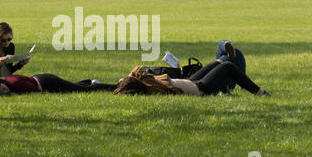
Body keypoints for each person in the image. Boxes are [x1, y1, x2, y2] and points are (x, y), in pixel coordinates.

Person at [114, 60, 271, 97]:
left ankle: (227, 88)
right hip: (201, 87)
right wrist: (127, 79)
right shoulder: (150, 84)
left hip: (192, 81)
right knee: (227, 65)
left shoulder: (148, 85)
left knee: (219, 62)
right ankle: (259, 92)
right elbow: (136, 70)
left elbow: (134, 75)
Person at [0, 74, 117, 95]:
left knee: (83, 91)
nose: (5, 90)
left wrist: (14, 94)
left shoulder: (14, 84)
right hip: (42, 78)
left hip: (46, 83)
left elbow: (36, 91)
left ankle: (115, 87)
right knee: (73, 86)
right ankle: (89, 82)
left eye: (2, 88)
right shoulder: (8, 80)